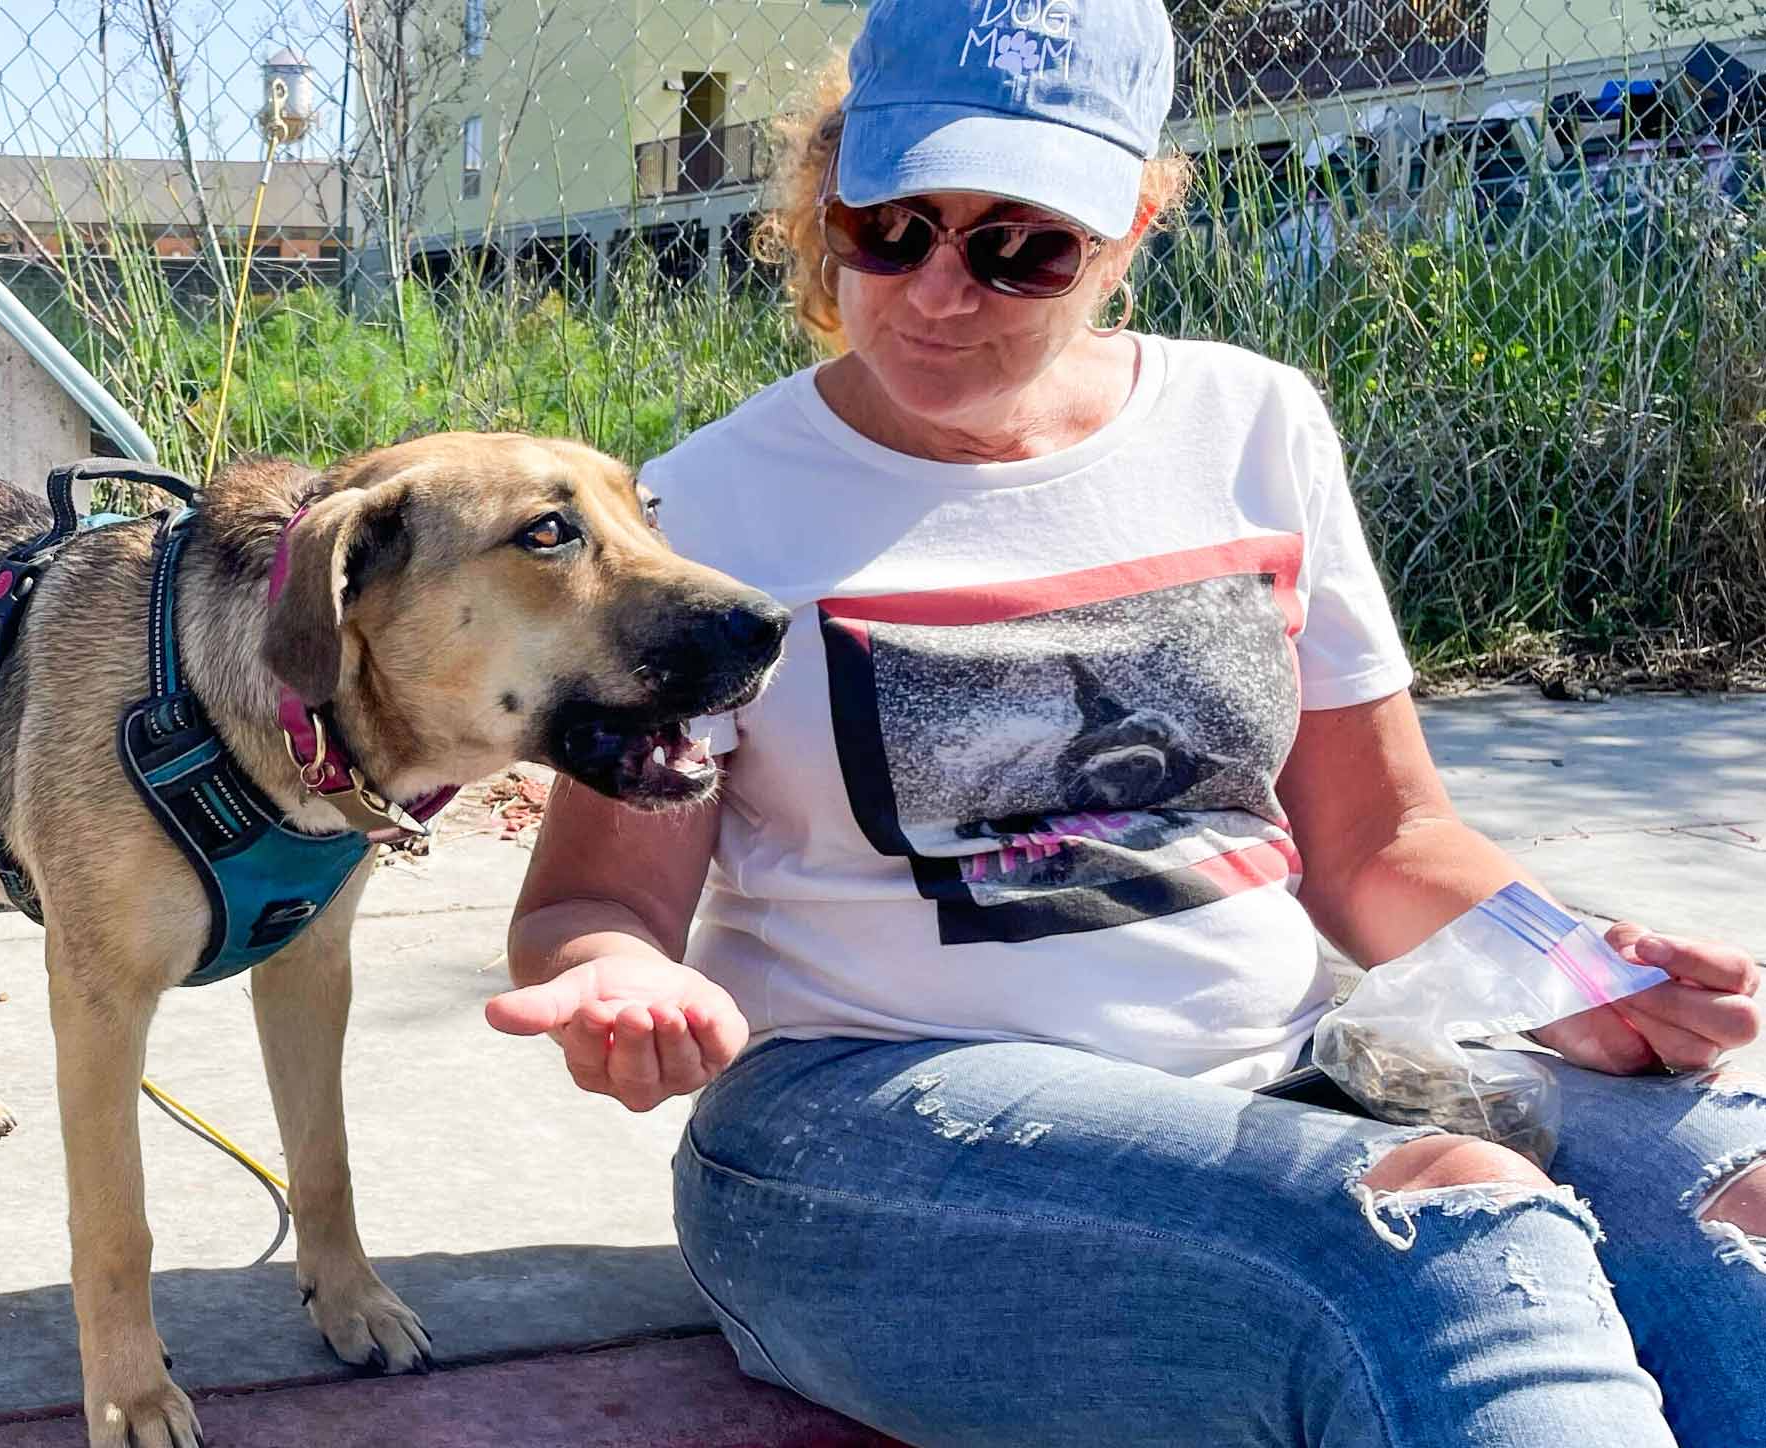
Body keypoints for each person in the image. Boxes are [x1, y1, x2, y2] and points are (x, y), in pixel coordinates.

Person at [486, 1, 1766, 1443]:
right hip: (858, 1125)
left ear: (1135, 221)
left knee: (1737, 1192)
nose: (935, 293)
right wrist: (613, 981)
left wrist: (1574, 973)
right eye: (886, 228)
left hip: (1292, 1084)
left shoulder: (1250, 422)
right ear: (821, 200)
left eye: (1019, 245)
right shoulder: (705, 510)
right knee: (1441, 1231)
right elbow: (593, 901)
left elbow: (1384, 840)